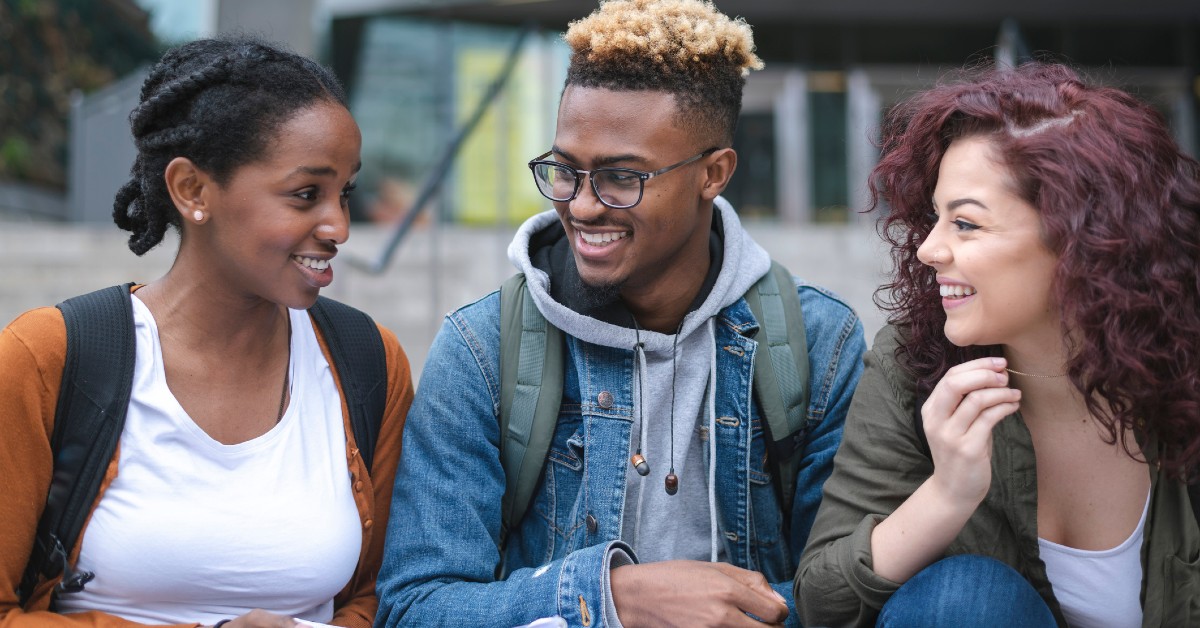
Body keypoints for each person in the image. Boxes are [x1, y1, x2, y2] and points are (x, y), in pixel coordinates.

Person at [375, 1, 865, 626]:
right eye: (565, 171)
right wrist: (609, 598)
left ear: (713, 173)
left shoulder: (818, 344)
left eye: (620, 178)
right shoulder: (484, 347)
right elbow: (416, 605)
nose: (581, 206)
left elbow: (847, 596)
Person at [0, 38, 413, 628]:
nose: (339, 226)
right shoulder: (50, 358)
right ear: (192, 190)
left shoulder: (369, 363)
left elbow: (383, 594)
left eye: (344, 193)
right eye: (306, 194)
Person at [796, 62, 1200, 627]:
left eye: (965, 224)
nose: (928, 251)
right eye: (935, 218)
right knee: (963, 598)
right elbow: (820, 602)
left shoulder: (1184, 367)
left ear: (1084, 238)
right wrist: (947, 494)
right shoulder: (915, 362)